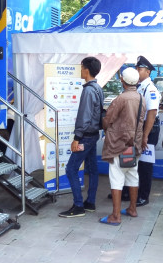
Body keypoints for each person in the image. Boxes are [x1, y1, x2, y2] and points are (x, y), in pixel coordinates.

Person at [58, 57, 104, 218]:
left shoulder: (89, 90)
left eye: (81, 66)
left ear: (86, 69)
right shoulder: (97, 88)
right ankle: (90, 202)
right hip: (93, 135)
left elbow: (84, 116)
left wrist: (77, 138)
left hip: (85, 137)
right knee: (92, 170)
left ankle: (78, 206)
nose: (80, 69)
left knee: (71, 169)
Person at [99, 67, 145, 225]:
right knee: (133, 176)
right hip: (134, 145)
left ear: (122, 81)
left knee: (116, 178)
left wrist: (105, 125)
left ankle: (116, 215)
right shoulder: (141, 98)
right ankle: (133, 208)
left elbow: (108, 120)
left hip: (119, 144)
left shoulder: (120, 99)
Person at [134, 55, 161, 207]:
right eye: (137, 68)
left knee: (145, 164)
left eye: (140, 69)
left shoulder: (150, 89)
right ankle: (130, 191)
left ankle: (144, 195)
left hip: (148, 129)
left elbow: (151, 113)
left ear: (148, 72)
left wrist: (145, 136)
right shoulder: (140, 87)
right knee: (136, 161)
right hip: (141, 128)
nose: (137, 71)